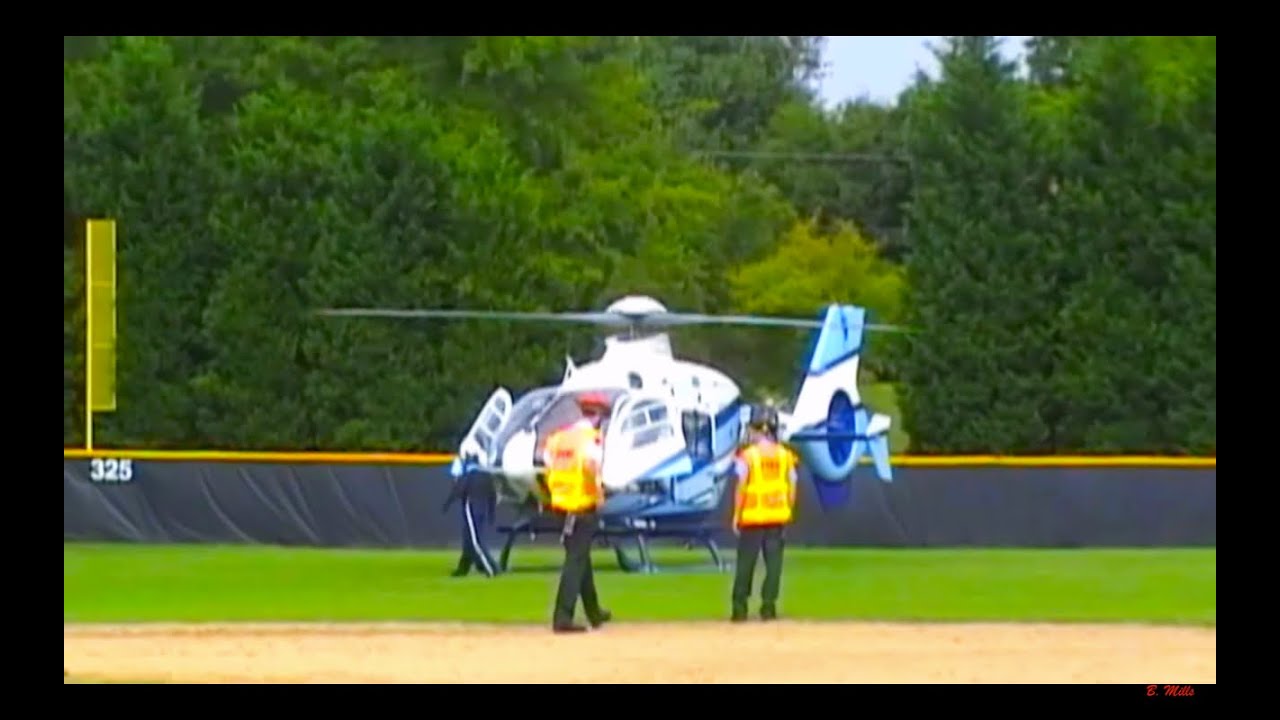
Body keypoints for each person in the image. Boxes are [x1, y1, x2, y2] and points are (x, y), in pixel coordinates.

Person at [543, 392, 614, 633]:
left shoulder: (560, 438)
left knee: (580, 557)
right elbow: (592, 464)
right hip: (581, 504)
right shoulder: (590, 439)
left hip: (560, 504)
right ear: (598, 417)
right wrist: (600, 491)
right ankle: (562, 617)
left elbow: (547, 463)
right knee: (575, 560)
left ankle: (594, 613)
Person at [730, 404, 798, 622]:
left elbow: (741, 486)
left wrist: (736, 514)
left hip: (752, 518)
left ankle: (740, 609)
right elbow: (792, 485)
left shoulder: (747, 456)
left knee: (745, 565)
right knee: (774, 566)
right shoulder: (785, 455)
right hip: (777, 518)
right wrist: (788, 508)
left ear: (757, 429)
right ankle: (768, 608)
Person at [442, 456, 501, 578]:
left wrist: (447, 504)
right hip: (482, 510)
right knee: (468, 539)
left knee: (475, 542)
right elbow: (492, 496)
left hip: (472, 510)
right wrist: (491, 513)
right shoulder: (486, 475)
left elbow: (459, 490)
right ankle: (463, 568)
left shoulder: (469, 475)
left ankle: (491, 568)